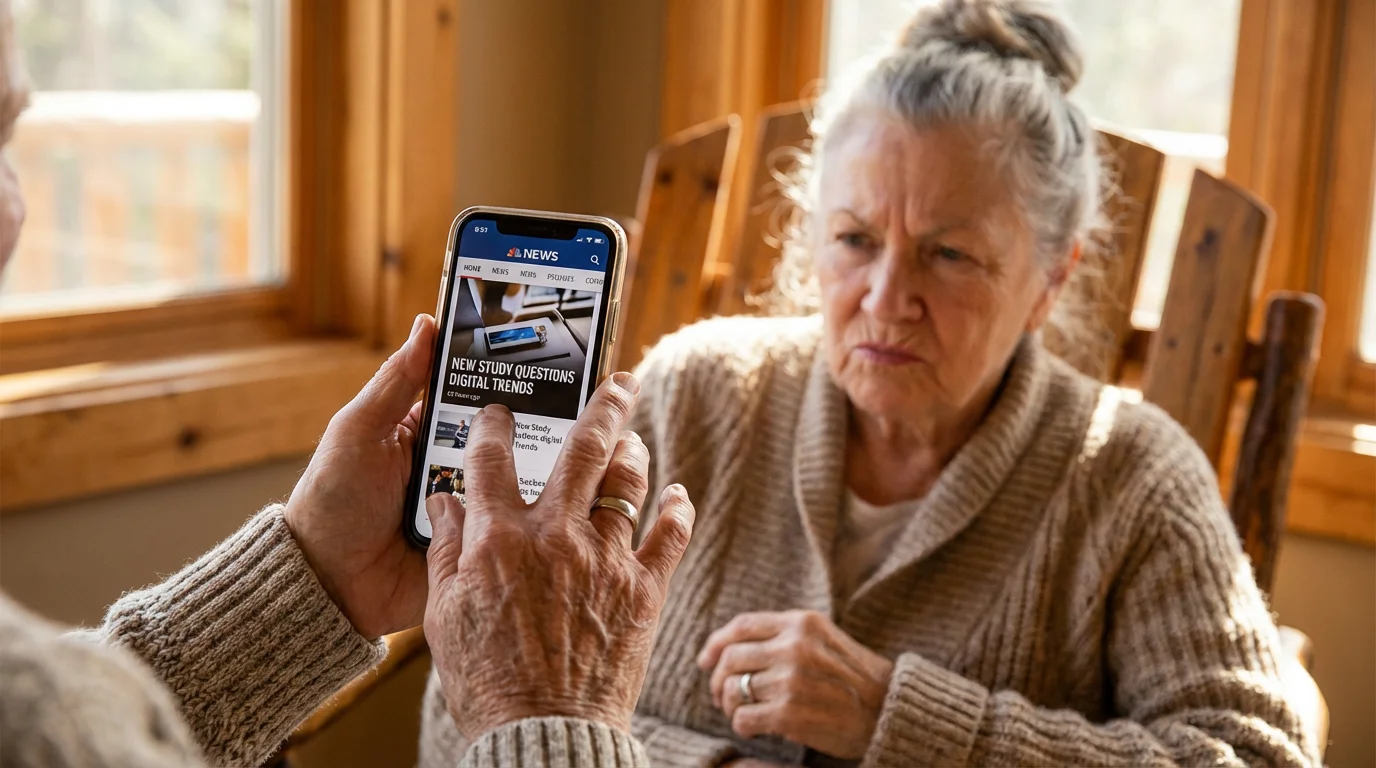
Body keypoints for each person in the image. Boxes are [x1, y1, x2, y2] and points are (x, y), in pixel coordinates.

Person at [418, 1, 1321, 766]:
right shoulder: (690, 396)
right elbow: (466, 702)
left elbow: (1256, 750)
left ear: (1051, 277)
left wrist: (900, 716)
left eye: (950, 253)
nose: (889, 300)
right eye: (855, 240)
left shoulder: (1131, 476)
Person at [0, 8, 696, 766]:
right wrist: (552, 712)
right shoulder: (37, 709)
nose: (15, 211)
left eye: (9, 135)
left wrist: (318, 574)